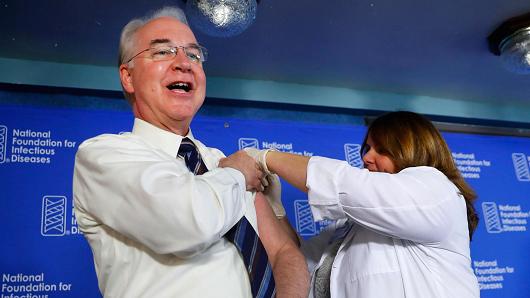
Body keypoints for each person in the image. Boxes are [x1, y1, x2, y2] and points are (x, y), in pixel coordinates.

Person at [72, 6, 308, 298]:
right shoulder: (104, 155)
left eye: (193, 54)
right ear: (128, 77)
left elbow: (285, 251)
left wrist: (277, 211)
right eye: (162, 52)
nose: (184, 63)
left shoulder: (221, 161)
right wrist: (236, 174)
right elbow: (187, 222)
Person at [240, 111, 480, 298]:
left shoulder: (438, 191)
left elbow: (345, 185)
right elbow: (298, 262)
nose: (366, 157)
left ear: (414, 151)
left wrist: (265, 158)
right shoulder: (350, 226)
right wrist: (276, 208)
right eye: (367, 148)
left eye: (382, 150)